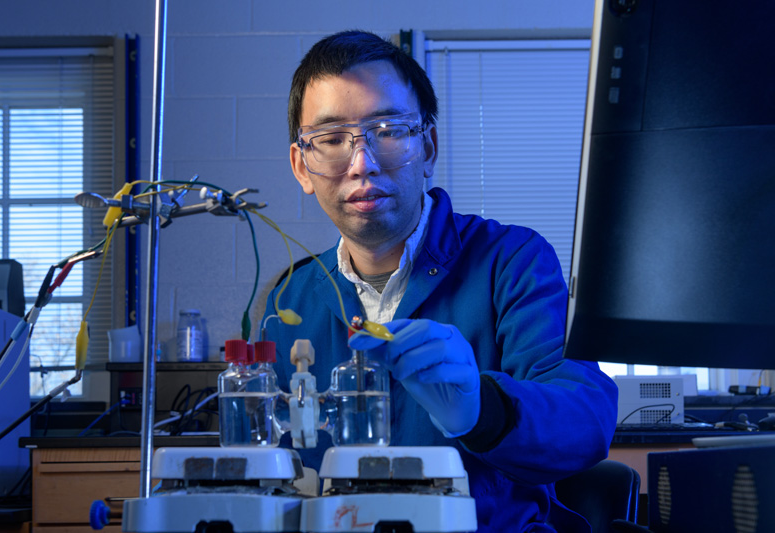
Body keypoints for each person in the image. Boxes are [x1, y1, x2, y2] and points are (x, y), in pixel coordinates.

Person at [263, 30, 618, 532]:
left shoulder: (510, 261)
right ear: (303, 165)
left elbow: (587, 418)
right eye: (332, 139)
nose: (361, 164)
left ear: (427, 146)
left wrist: (484, 408)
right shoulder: (290, 299)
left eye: (387, 130)